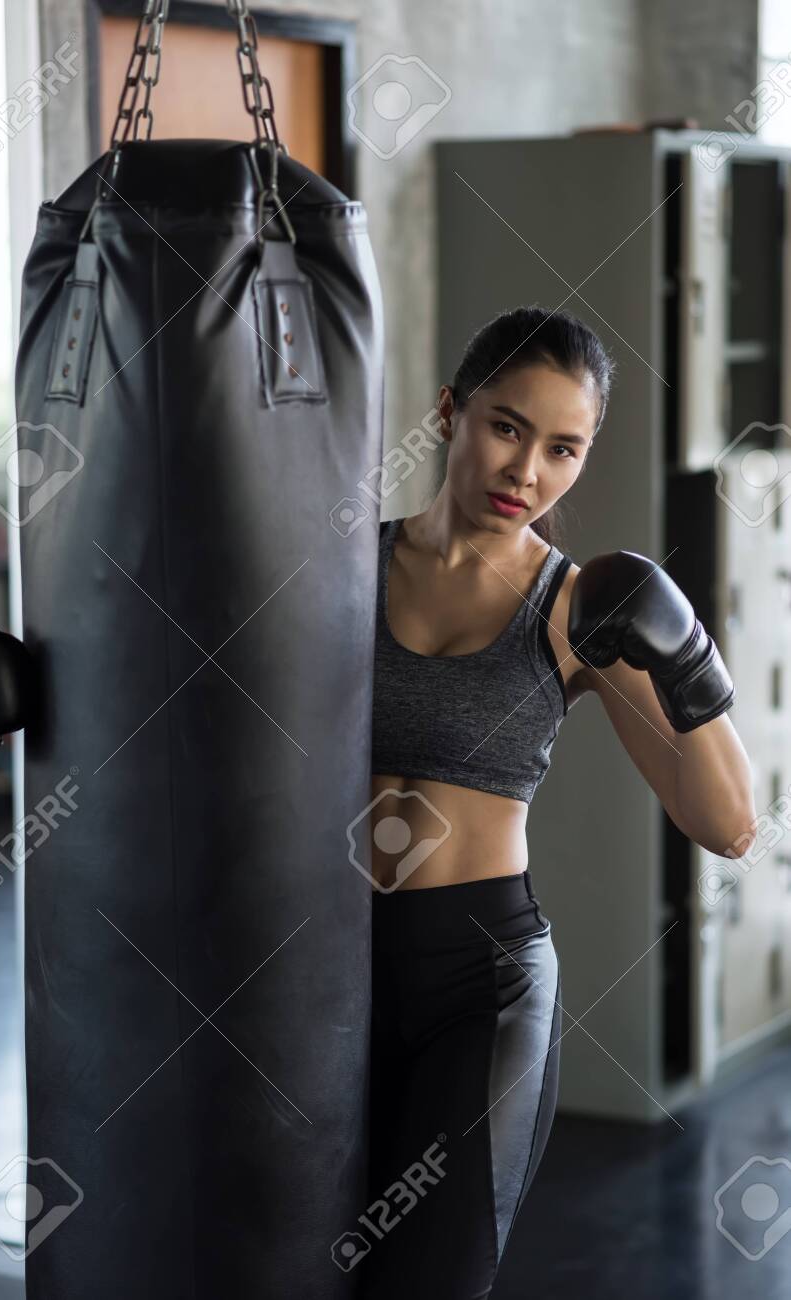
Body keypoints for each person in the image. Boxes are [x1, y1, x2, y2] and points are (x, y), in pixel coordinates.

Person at [357, 306, 755, 1298]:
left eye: (563, 448)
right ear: (451, 412)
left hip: (479, 985)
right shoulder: (342, 568)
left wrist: (689, 661)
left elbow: (730, 823)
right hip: (327, 967)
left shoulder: (577, 609)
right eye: (506, 426)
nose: (526, 471)